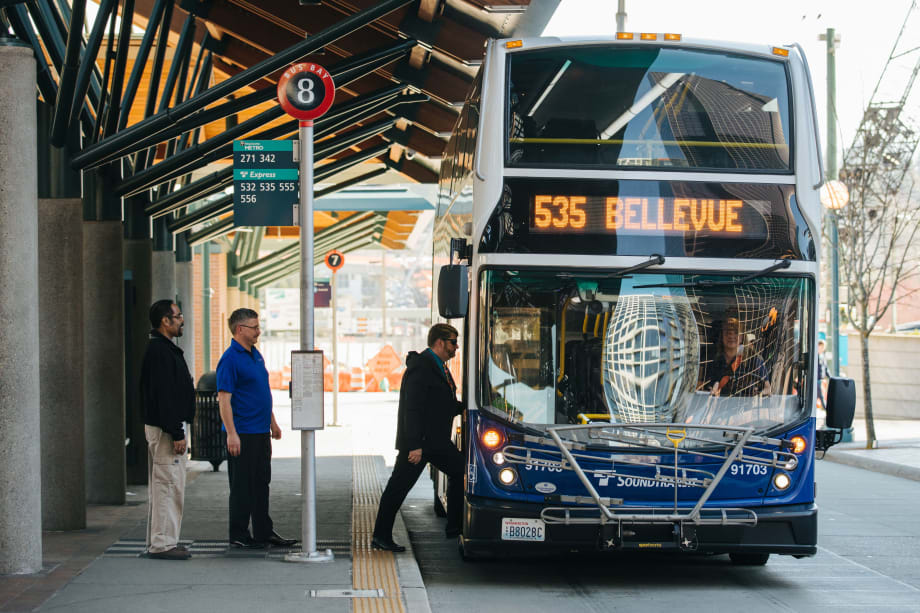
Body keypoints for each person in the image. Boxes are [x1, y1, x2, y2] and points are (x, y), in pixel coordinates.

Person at [371, 323, 465, 552]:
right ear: (439, 342)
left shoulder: (438, 366)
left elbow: (439, 403)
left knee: (461, 470)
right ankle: (380, 536)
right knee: (398, 488)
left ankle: (455, 526)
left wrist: (464, 408)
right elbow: (411, 409)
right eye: (453, 342)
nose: (456, 347)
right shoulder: (422, 367)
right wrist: (413, 445)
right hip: (420, 444)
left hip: (437, 442)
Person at [217, 308, 296, 549]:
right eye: (254, 327)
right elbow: (224, 399)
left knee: (262, 482)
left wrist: (272, 422)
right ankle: (239, 534)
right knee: (242, 485)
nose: (258, 332)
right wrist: (231, 433)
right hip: (242, 433)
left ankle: (263, 531)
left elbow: (261, 391)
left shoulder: (255, 355)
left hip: (260, 431)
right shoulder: (230, 359)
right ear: (240, 329)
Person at [140, 300, 196, 560]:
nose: (181, 320)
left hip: (164, 427)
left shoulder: (162, 350)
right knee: (168, 484)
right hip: (166, 430)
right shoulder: (161, 352)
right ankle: (162, 544)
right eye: (178, 316)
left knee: (165, 484)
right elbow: (165, 396)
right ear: (166, 320)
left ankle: (161, 540)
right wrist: (176, 432)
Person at [701, 316, 771, 397]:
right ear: (722, 336)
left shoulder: (753, 360)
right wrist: (713, 390)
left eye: (736, 332)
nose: (731, 336)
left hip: (746, 407)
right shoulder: (714, 361)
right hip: (718, 406)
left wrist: (759, 394)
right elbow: (705, 387)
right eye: (727, 332)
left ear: (742, 337)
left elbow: (767, 388)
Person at [817, 339, 829, 408]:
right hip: (817, 379)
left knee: (820, 395)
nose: (822, 349)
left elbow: (826, 368)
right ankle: (826, 408)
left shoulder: (823, 356)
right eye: (821, 347)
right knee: (820, 395)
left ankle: (825, 407)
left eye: (823, 347)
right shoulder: (815, 356)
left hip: (821, 379)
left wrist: (830, 377)